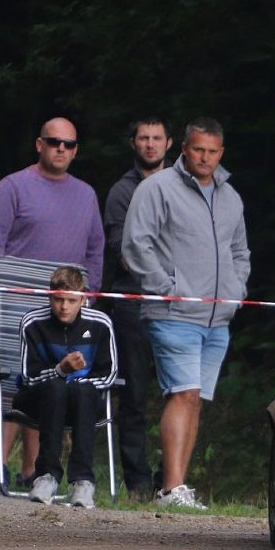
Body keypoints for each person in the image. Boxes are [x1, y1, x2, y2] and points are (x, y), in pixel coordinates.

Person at [121, 117, 249, 510]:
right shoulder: (156, 188)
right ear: (184, 148)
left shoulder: (231, 197)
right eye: (198, 149)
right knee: (183, 394)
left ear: (221, 153)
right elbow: (135, 244)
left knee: (195, 399)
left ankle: (177, 486)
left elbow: (240, 252)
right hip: (173, 314)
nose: (205, 157)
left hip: (217, 318)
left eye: (212, 151)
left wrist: (235, 292)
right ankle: (170, 489)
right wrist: (166, 288)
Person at [0, 117, 106, 487]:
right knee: (12, 381)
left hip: (67, 312)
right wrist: (5, 289)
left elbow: (95, 250)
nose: (61, 149)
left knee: (55, 382)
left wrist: (88, 295)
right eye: (54, 142)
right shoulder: (12, 187)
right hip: (18, 307)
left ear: (76, 150)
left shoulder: (86, 195)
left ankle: (33, 472)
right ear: (39, 144)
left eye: (68, 144)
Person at [104, 116, 172, 498]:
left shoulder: (183, 189)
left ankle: (171, 479)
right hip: (131, 304)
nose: (150, 144)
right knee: (133, 395)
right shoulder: (121, 192)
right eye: (143, 138)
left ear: (169, 143)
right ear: (134, 143)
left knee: (178, 393)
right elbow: (123, 253)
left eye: (156, 138)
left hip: (177, 307)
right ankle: (138, 482)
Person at [14, 266, 117, 509]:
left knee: (80, 391)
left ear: (83, 298)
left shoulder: (101, 324)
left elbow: (110, 374)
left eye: (71, 300)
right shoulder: (32, 323)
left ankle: (83, 481)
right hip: (41, 400)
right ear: (50, 297)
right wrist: (61, 371)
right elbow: (28, 377)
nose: (64, 307)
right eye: (58, 299)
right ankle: (46, 476)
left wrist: (77, 381)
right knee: (56, 388)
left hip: (84, 401)